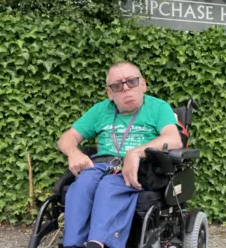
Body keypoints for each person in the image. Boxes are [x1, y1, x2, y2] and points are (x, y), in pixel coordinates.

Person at [57, 61, 183, 248]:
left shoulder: (158, 107)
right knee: (81, 185)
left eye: (131, 81)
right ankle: (72, 245)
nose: (125, 88)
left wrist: (135, 153)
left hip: (139, 167)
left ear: (143, 84)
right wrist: (73, 153)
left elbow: (174, 139)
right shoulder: (100, 110)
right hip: (100, 165)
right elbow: (66, 138)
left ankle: (99, 243)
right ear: (110, 93)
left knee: (109, 185)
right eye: (117, 85)